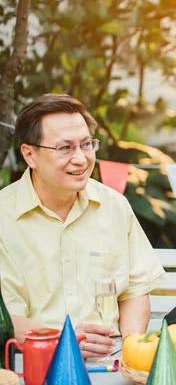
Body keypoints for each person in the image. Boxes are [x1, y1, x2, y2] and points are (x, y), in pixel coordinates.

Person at [0, 94, 167, 359]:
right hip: (33, 363)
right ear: (30, 154)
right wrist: (66, 343)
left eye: (86, 144)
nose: (81, 159)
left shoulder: (114, 205)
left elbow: (134, 291)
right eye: (65, 148)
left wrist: (131, 350)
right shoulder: (3, 217)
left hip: (109, 361)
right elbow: (8, 317)